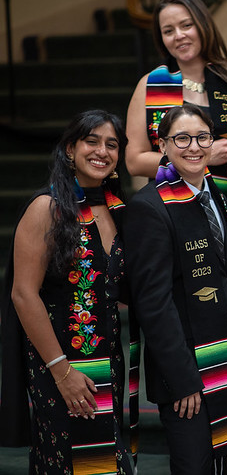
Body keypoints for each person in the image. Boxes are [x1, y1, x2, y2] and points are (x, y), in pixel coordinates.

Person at [0, 111, 133, 473]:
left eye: (112, 144)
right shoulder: (47, 208)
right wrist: (62, 372)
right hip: (58, 363)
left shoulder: (116, 210)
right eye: (92, 141)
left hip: (108, 362)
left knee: (106, 462)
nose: (102, 151)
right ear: (71, 149)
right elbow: (23, 295)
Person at [124, 104, 227, 474]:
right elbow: (153, 304)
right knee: (194, 467)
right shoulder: (150, 207)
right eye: (182, 138)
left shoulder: (212, 190)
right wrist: (183, 381)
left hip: (226, 355)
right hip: (185, 374)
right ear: (163, 146)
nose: (194, 147)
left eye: (202, 137)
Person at [126, 0, 227, 212]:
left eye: (186, 25)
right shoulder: (151, 85)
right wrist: (204, 155)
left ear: (203, 26)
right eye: (168, 31)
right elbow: (134, 161)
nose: (178, 35)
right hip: (171, 208)